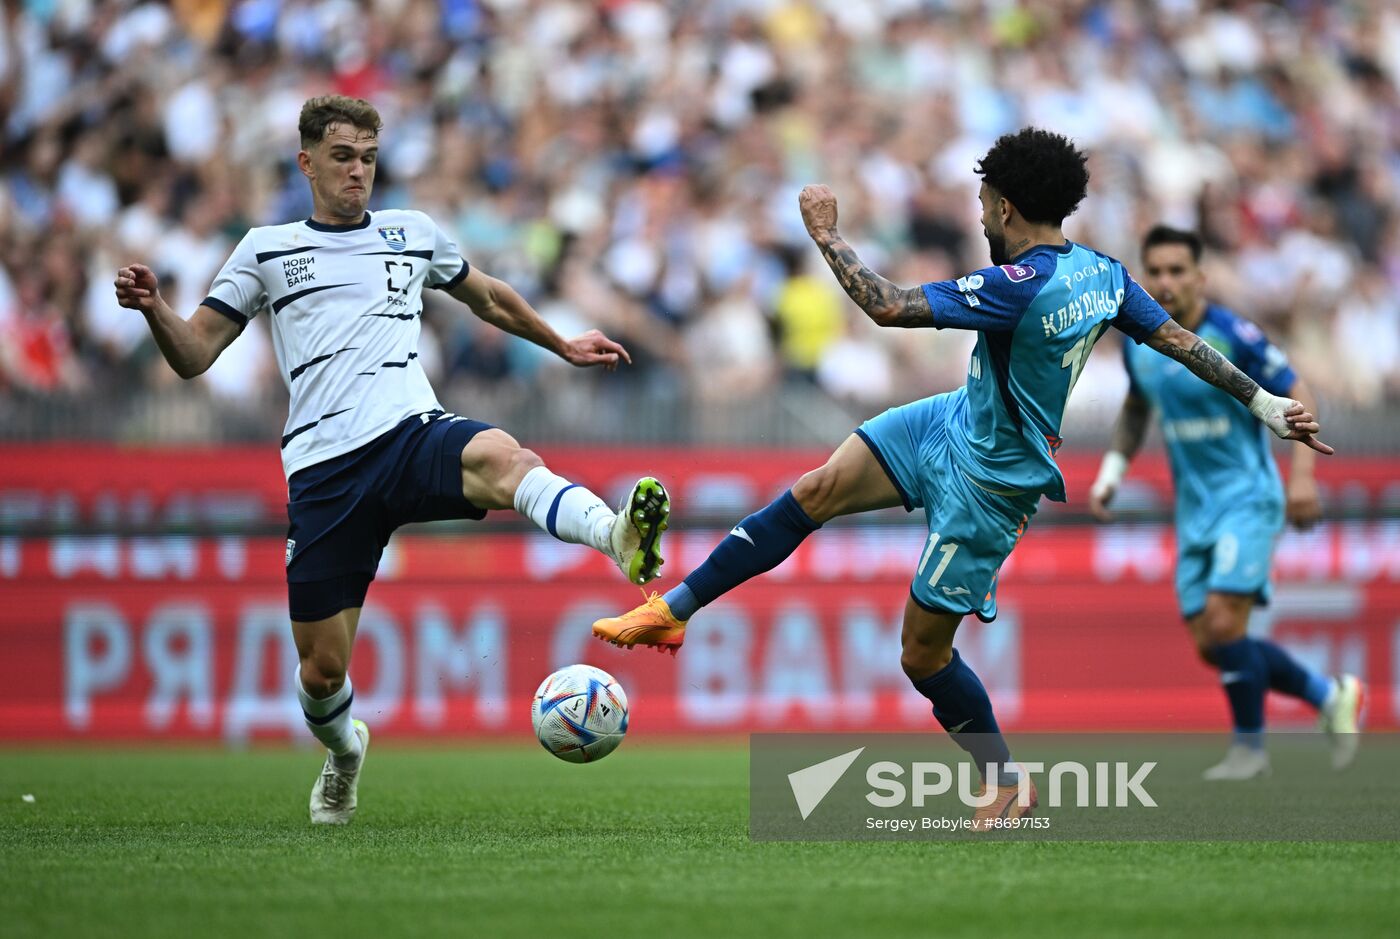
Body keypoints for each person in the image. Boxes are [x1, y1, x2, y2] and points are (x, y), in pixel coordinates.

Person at [592, 128, 1330, 826]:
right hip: (952, 421)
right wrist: (1264, 402)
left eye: (982, 200)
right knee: (816, 490)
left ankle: (1005, 779)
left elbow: (884, 304)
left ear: (1004, 205)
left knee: (921, 653)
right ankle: (678, 607)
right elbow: (1181, 343)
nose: (978, 211)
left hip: (991, 482)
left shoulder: (1018, 284)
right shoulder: (1103, 276)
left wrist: (825, 233)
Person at [114, 96, 671, 825]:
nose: (358, 172)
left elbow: (491, 299)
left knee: (504, 455)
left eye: (369, 158)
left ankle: (616, 537)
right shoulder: (265, 249)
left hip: (411, 431)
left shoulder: (413, 232)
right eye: (343, 157)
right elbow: (193, 356)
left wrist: (561, 343)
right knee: (322, 672)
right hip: (324, 472)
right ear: (306, 161)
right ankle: (345, 752)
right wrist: (157, 309)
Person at [1089, 225, 1362, 780]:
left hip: (1248, 498)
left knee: (1222, 624)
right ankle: (1328, 693)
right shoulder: (1142, 344)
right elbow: (1138, 408)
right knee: (1214, 645)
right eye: (1155, 271)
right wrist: (1113, 471)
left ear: (1200, 277)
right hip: (1195, 511)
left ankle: (1248, 751)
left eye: (1176, 271)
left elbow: (1298, 391)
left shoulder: (1232, 334)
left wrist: (1303, 478)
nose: (1165, 282)